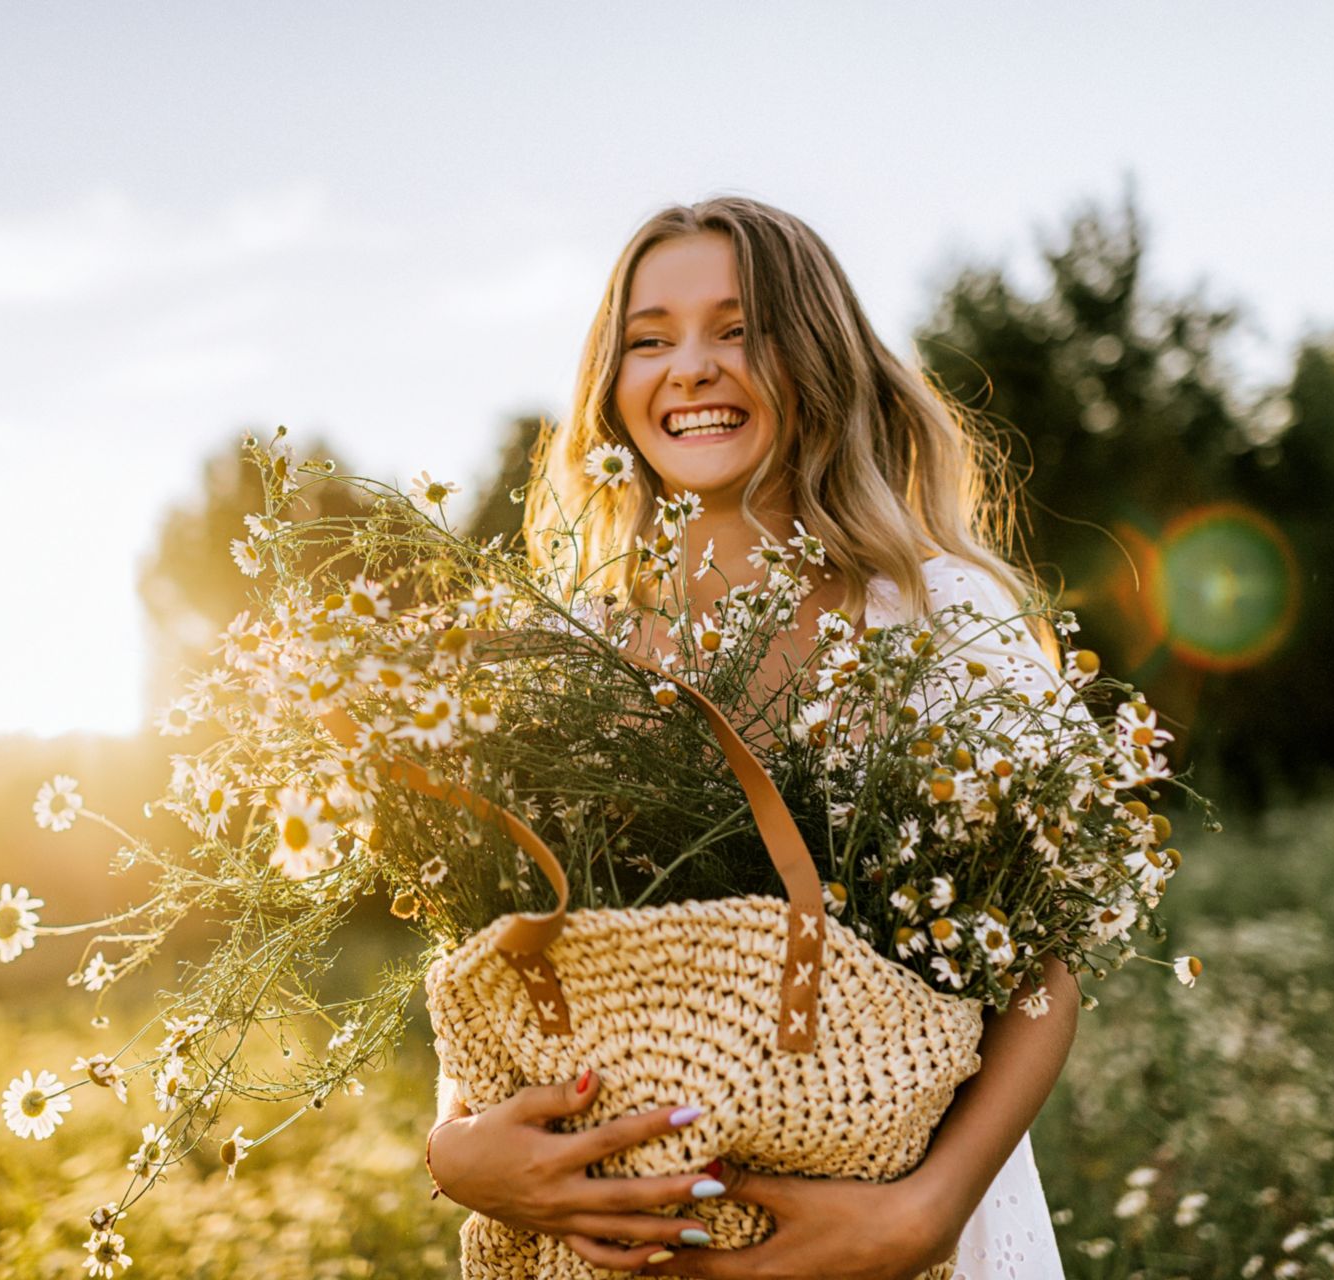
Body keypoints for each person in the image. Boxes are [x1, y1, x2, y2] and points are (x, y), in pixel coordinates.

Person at [425, 196, 1075, 1279]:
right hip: (634, 1245)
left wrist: (925, 1212)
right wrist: (457, 1151)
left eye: (740, 329)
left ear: (816, 354)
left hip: (901, 1230)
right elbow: (492, 958)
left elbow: (1043, 962)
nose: (691, 366)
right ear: (610, 383)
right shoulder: (556, 644)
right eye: (650, 338)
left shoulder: (936, 614)